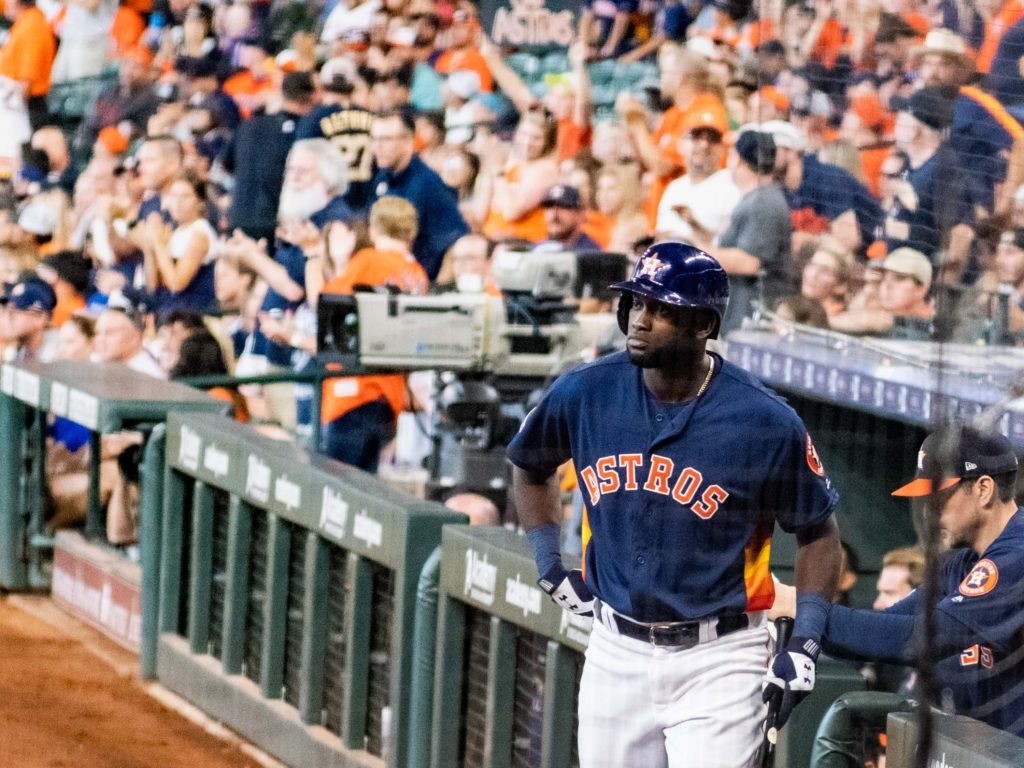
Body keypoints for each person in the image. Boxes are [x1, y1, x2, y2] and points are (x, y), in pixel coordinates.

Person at [508, 242, 841, 767]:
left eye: (661, 309)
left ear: (703, 324)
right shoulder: (586, 391)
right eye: (637, 304)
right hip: (615, 648)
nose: (640, 320)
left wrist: (805, 641)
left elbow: (819, 535)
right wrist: (549, 561)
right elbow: (529, 467)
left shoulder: (765, 420)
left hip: (722, 656)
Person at [822, 424, 1024, 737]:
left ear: (984, 489)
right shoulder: (964, 561)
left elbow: (916, 640)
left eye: (939, 496)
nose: (930, 510)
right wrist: (799, 613)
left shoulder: (1016, 556)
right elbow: (885, 627)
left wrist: (804, 610)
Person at [693, 130, 792, 334]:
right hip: (738, 313)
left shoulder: (763, 201)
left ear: (737, 159)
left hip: (750, 317)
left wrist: (694, 253)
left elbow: (750, 262)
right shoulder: (755, 198)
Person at [368, 108, 469, 280]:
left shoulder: (429, 185)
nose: (378, 146)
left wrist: (433, 294)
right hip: (388, 277)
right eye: (374, 139)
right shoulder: (382, 178)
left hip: (418, 282)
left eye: (386, 139)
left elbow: (455, 243)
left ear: (408, 142)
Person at [143, 172, 218, 314]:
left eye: (185, 197)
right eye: (174, 196)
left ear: (200, 202)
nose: (177, 202)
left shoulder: (200, 233)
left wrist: (159, 244)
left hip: (193, 310)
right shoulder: (175, 233)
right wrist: (149, 247)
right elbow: (153, 285)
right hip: (168, 307)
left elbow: (177, 283)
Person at [538, 185, 602, 252]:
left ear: (580, 214)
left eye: (562, 207)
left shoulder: (592, 253)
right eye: (549, 207)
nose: (554, 214)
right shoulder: (538, 251)